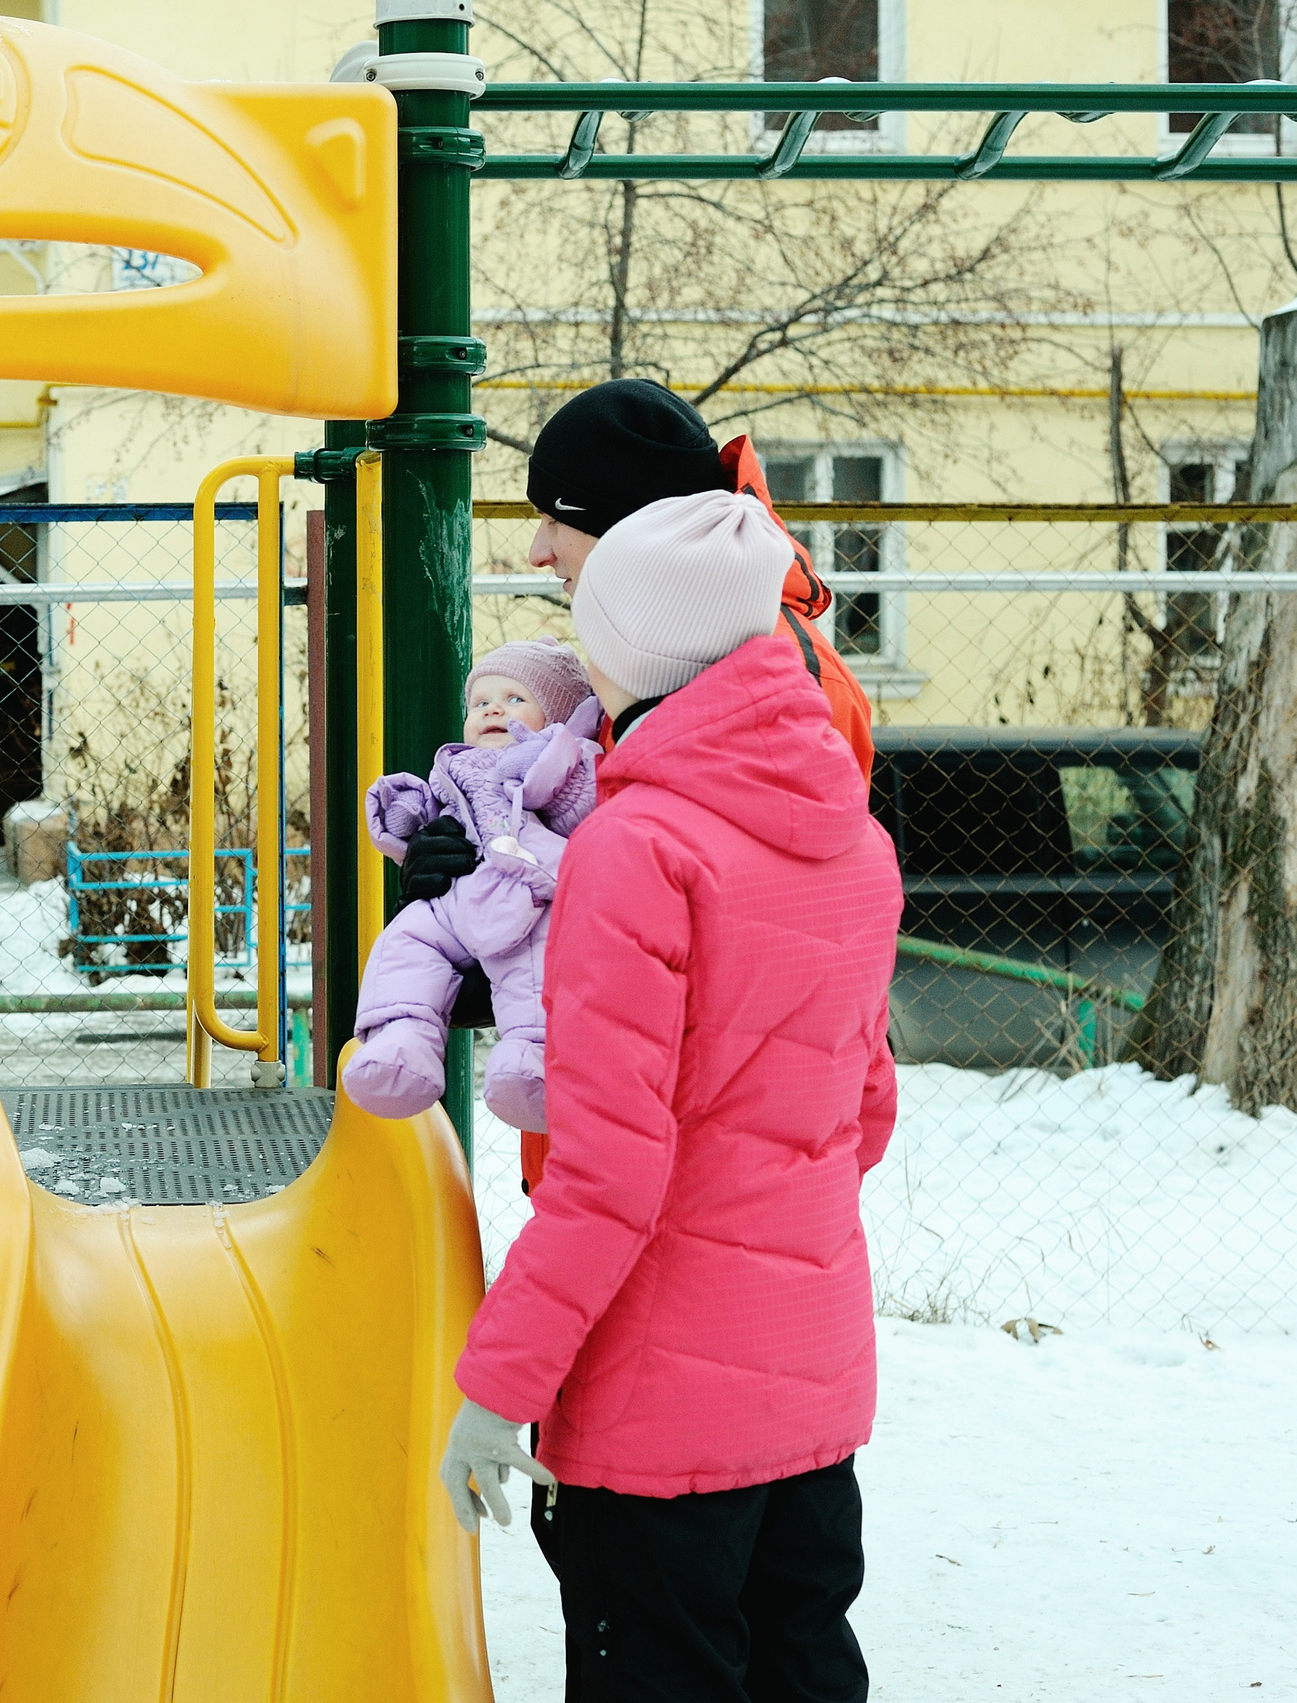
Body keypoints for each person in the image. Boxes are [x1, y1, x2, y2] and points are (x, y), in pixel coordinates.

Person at [436, 489, 903, 1703]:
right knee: (802, 1663)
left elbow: (611, 1174)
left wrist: (500, 1388)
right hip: (810, 1393)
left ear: (624, 645)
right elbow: (864, 1116)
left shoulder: (638, 846)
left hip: (656, 1423)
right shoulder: (854, 839)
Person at [399, 379, 873, 909]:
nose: (538, 552)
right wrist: (473, 858)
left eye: (557, 519)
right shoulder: (644, 652)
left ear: (627, 530)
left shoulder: (790, 684)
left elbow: (774, 918)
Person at [345, 642, 601, 1132]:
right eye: (480, 703)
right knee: (406, 939)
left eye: (514, 698)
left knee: (534, 965)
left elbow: (580, 801)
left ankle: (536, 1060)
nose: (493, 710)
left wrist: (554, 767)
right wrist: (409, 822)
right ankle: (403, 1038)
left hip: (529, 888)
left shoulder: (556, 757)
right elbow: (434, 809)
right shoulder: (455, 765)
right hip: (459, 898)